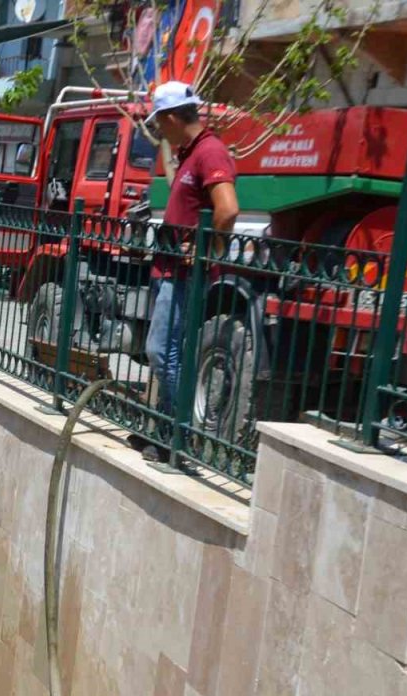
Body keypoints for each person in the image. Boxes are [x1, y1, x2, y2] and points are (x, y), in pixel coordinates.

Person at [134, 81, 240, 462]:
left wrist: (206, 248)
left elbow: (227, 209)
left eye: (160, 123)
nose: (159, 130)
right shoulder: (191, 152)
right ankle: (163, 433)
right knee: (169, 353)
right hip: (169, 268)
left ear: (174, 117)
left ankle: (182, 434)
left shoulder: (210, 153)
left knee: (161, 351)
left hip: (182, 272)